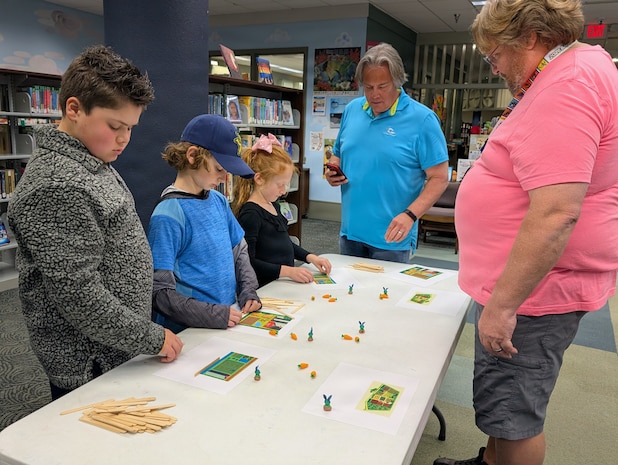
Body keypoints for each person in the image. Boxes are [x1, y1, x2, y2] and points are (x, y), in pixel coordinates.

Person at [434, 1, 618, 465]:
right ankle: (490, 459)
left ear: (530, 38)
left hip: (532, 295)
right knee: (504, 404)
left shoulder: (569, 84)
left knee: (515, 415)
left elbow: (556, 212)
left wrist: (502, 306)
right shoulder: (575, 69)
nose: (494, 67)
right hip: (528, 286)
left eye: (494, 53)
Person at [7, 45, 184, 401]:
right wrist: (150, 337)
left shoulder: (90, 159)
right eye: (115, 126)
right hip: (90, 360)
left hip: (116, 346)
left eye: (130, 128)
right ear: (74, 109)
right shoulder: (57, 186)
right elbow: (78, 295)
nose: (124, 139)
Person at [324, 42, 449, 263]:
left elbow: (439, 178)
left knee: (384, 298)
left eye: (383, 86)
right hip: (350, 233)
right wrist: (332, 171)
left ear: (398, 82)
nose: (374, 95)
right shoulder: (352, 110)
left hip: (392, 238)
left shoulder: (423, 120)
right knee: (349, 296)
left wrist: (411, 215)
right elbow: (337, 155)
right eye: (369, 87)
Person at [148, 114, 262, 333]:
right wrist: (214, 314)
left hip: (226, 319)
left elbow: (239, 251)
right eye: (219, 169)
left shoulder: (218, 200)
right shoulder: (168, 215)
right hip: (188, 331)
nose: (224, 178)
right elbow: (160, 292)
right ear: (193, 155)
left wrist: (248, 289)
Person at [231, 133, 332, 287]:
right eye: (280, 185)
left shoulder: (274, 205)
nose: (284, 191)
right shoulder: (250, 214)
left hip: (280, 283)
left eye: (286, 184)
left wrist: (310, 257)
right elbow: (247, 262)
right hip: (263, 288)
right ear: (259, 179)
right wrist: (287, 271)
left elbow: (284, 243)